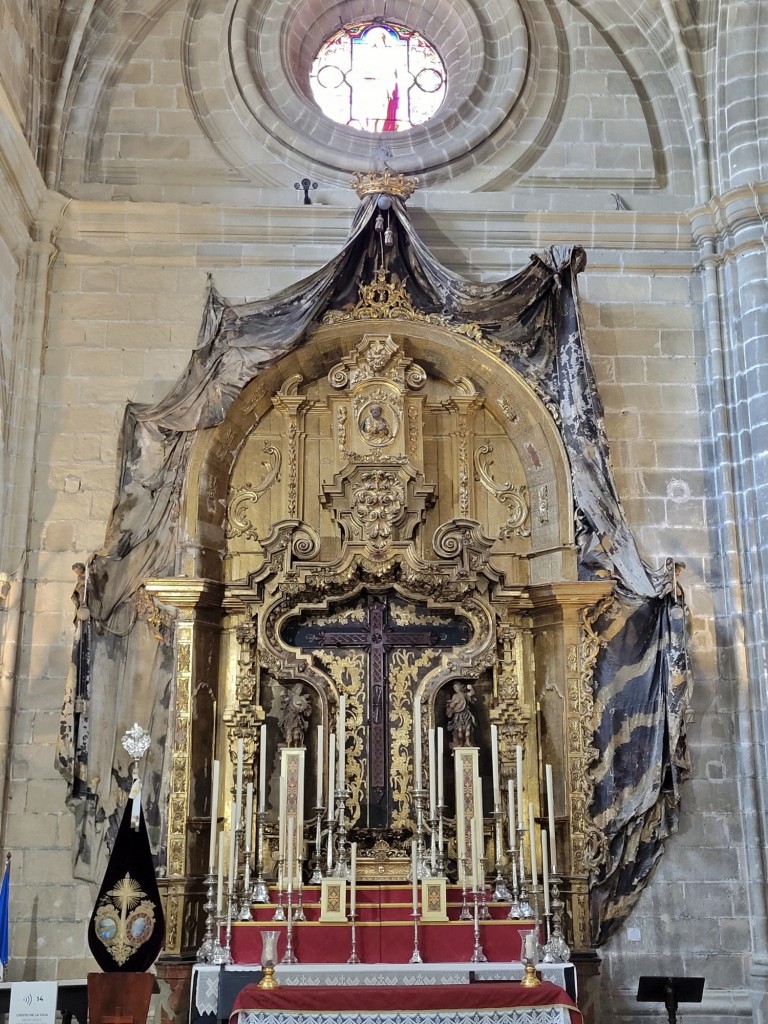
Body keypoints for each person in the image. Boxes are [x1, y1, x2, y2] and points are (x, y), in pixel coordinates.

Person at [445, 682, 476, 747]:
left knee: (468, 728)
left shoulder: (464, 695)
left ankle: (468, 742)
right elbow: (451, 705)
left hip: (466, 714)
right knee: (459, 729)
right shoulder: (455, 696)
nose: (455, 689)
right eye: (454, 688)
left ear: (460, 687)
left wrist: (471, 688)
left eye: (456, 687)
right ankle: (460, 743)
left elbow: (472, 693)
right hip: (458, 716)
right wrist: (455, 702)